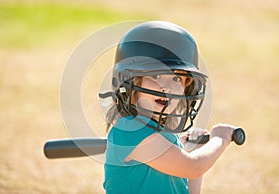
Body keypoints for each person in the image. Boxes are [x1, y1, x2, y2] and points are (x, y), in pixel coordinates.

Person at [101, 21, 235, 194]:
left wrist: (193, 150)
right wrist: (220, 139)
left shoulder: (165, 137)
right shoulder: (130, 131)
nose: (167, 87)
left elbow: (189, 181)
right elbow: (192, 166)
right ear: (129, 82)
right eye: (155, 75)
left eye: (176, 79)